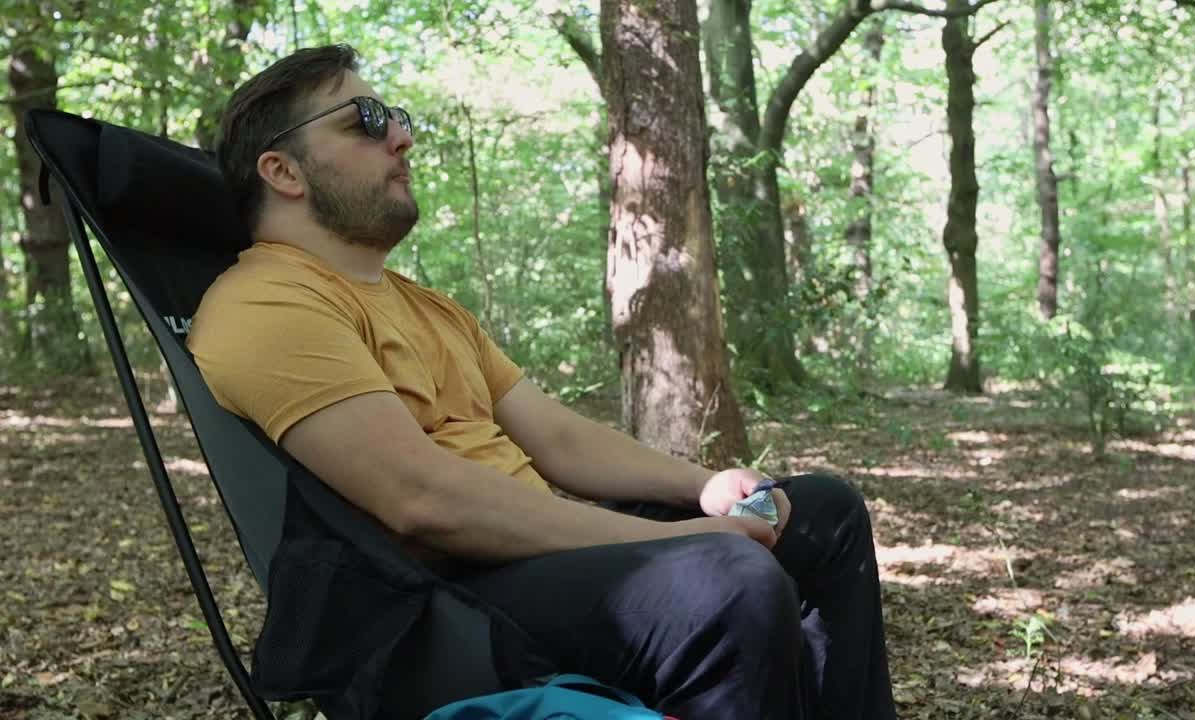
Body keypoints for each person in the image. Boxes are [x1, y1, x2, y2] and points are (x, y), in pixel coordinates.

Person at [191, 43, 897, 720]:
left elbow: (556, 438)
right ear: (284, 171)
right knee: (726, 582)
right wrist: (670, 542)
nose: (400, 140)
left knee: (823, 515)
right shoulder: (265, 304)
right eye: (366, 122)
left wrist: (703, 488)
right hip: (438, 607)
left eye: (397, 119)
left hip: (518, 561)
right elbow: (422, 500)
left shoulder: (426, 307)